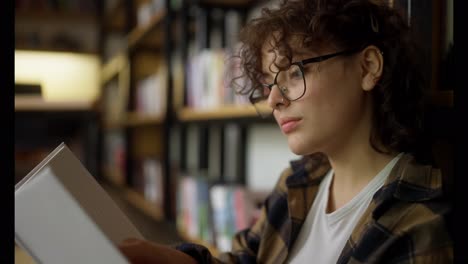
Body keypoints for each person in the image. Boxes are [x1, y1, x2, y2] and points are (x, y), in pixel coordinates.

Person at [118, 0, 453, 263]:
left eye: (294, 73)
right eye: (269, 83)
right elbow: (246, 259)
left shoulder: (416, 225)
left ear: (367, 67)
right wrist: (162, 257)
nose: (274, 100)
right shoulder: (297, 183)